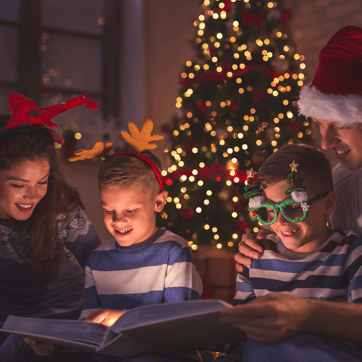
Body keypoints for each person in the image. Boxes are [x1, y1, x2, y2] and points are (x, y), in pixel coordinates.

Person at [7, 120, 203, 361]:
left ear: (159, 203)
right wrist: (58, 344)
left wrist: (123, 318)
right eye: (109, 210)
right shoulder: (98, 258)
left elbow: (180, 324)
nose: (118, 221)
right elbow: (89, 327)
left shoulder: (174, 252)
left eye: (130, 211)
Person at [222, 25, 362, 350]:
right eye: (320, 126)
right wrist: (261, 245)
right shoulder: (341, 180)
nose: (325, 143)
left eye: (339, 125)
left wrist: (306, 315)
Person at [217, 143, 362, 361]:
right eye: (268, 211)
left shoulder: (351, 253)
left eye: (293, 207)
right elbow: (240, 336)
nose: (281, 221)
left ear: (329, 203)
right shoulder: (255, 257)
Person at [0, 93, 102, 353]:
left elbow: (101, 266)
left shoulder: (60, 205)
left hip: (71, 322)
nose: (33, 195)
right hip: (12, 329)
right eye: (18, 185)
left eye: (41, 182)